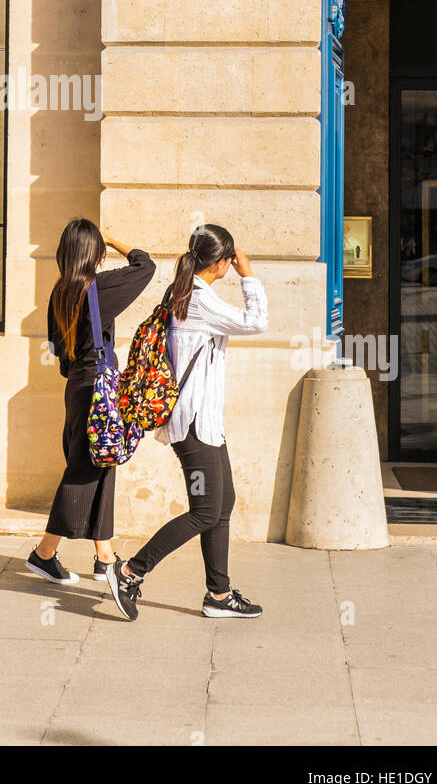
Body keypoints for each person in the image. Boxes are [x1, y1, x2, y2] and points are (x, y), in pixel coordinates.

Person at [104, 223, 268, 620]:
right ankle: (129, 572)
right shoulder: (198, 299)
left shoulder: (188, 291)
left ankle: (219, 594)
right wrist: (249, 277)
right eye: (231, 258)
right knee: (206, 511)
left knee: (221, 503)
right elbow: (256, 321)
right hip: (194, 425)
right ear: (223, 261)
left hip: (204, 421)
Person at [26, 218, 155, 585]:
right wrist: (113, 239)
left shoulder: (59, 293)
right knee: (84, 470)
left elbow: (57, 351)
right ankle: (43, 554)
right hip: (99, 387)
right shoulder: (99, 287)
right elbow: (145, 266)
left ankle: (104, 556)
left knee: (101, 463)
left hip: (79, 387)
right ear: (93, 251)